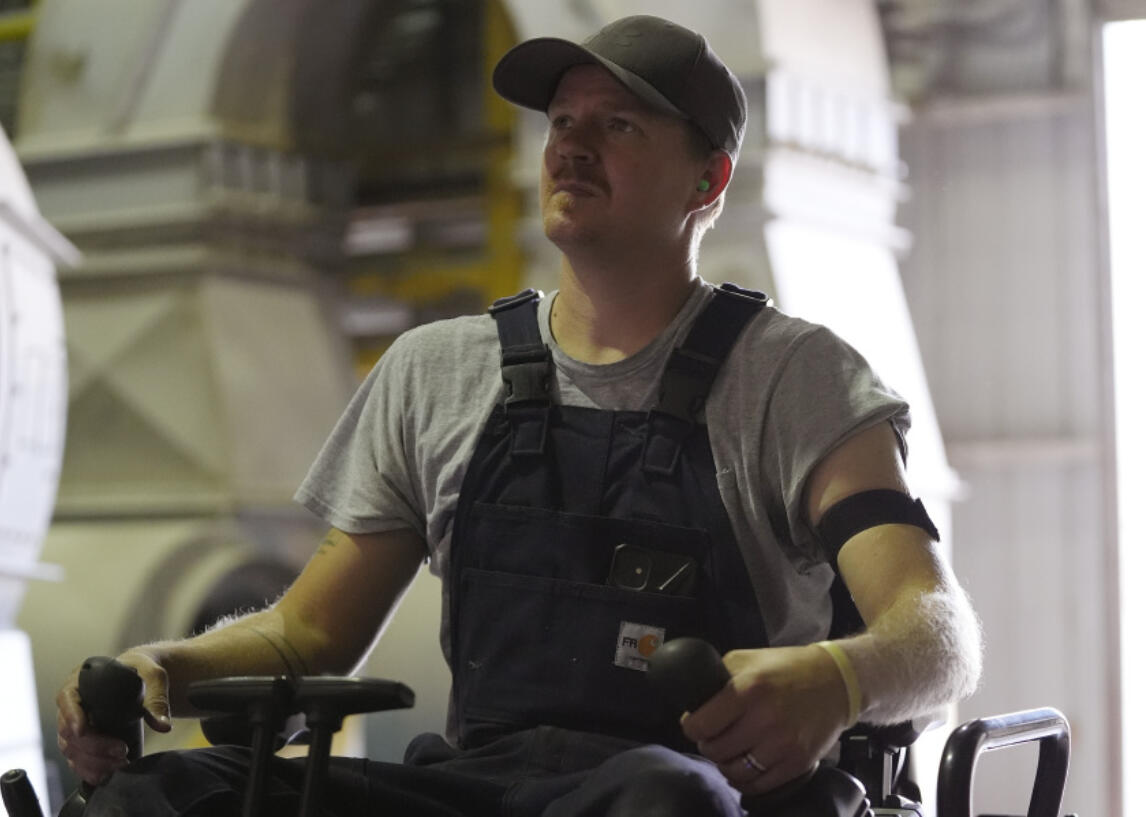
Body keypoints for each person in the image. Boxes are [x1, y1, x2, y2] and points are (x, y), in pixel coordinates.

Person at [56, 14, 982, 817]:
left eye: (619, 125)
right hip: (479, 785)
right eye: (563, 121)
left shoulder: (795, 378)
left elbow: (938, 632)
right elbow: (309, 634)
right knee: (165, 797)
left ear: (707, 181)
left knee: (667, 798)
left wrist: (841, 676)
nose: (572, 145)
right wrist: (165, 666)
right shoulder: (437, 371)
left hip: (699, 789)